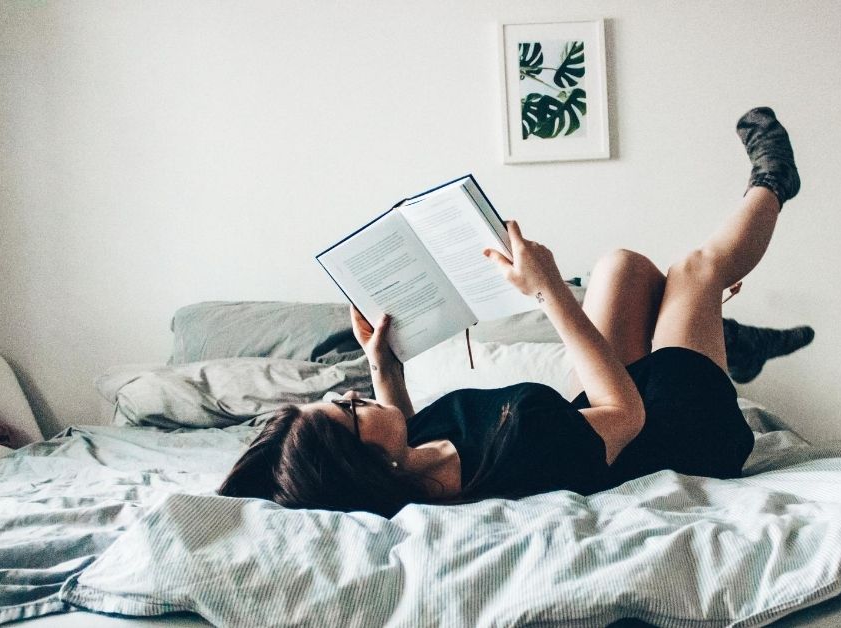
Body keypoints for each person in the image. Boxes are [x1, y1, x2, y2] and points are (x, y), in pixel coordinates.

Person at [218, 106, 802, 517]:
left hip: (591, 417)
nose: (351, 397)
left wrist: (383, 366)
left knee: (623, 267)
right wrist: (547, 290)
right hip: (675, 428)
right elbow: (623, 414)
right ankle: (773, 182)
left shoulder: (411, 463)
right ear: (365, 463)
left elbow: (402, 423)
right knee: (694, 273)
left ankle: (724, 341)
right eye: (347, 412)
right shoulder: (509, 453)